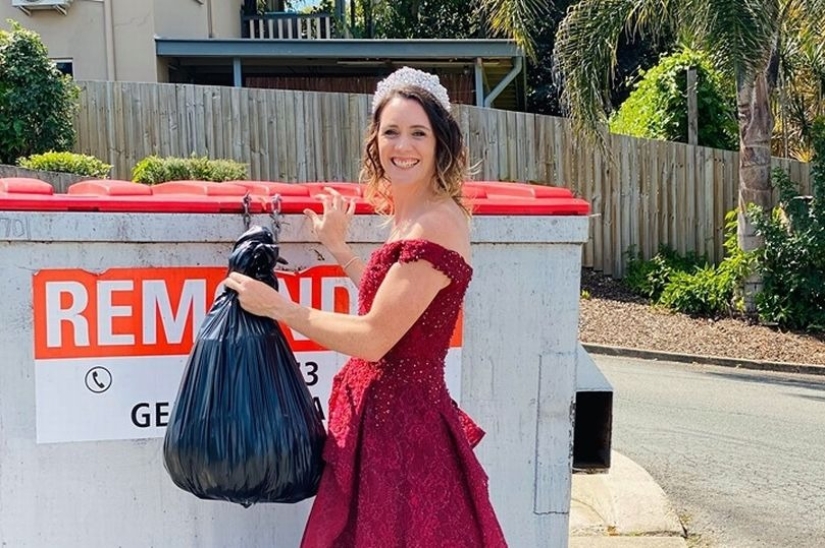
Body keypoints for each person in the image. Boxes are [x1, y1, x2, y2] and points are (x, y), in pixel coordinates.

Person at [223, 67, 508, 548]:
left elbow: (376, 336)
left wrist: (280, 308)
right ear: (374, 141)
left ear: (441, 140)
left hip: (404, 435)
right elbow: (397, 308)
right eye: (391, 131)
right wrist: (340, 249)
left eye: (418, 133)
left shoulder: (435, 222)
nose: (403, 146)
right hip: (379, 424)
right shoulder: (411, 214)